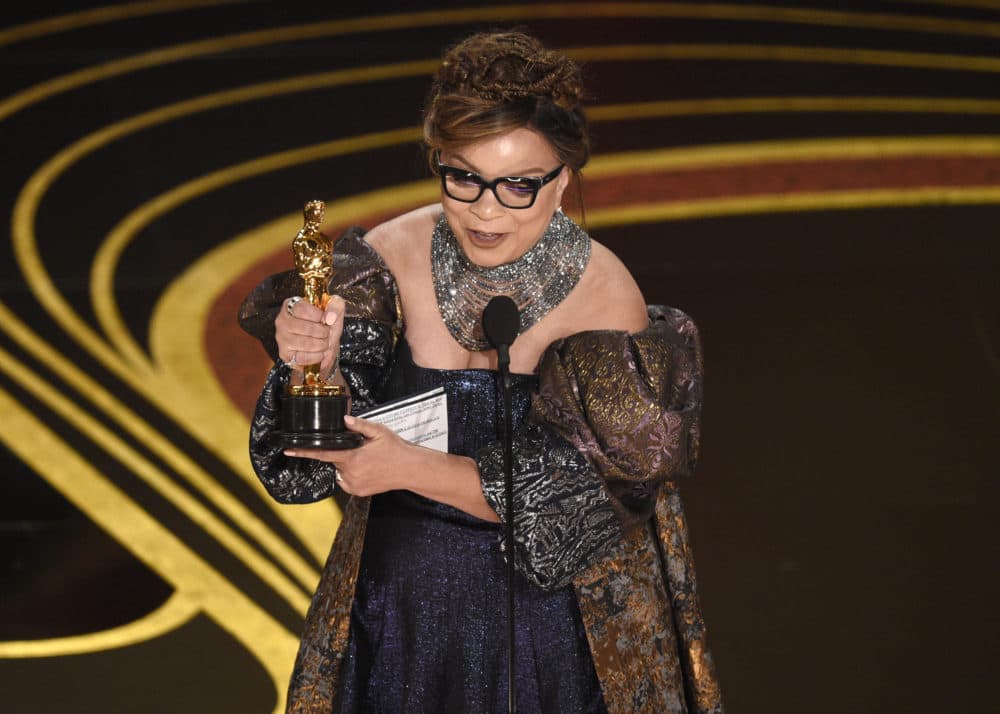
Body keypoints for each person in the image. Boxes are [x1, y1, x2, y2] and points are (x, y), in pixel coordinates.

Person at [239, 31, 722, 714]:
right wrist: (310, 368)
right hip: (396, 614)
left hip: (547, 632)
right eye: (462, 176)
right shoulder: (390, 255)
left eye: (519, 185)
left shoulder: (605, 298)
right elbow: (308, 467)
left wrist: (407, 469)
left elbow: (581, 509)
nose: (486, 208)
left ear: (565, 180)